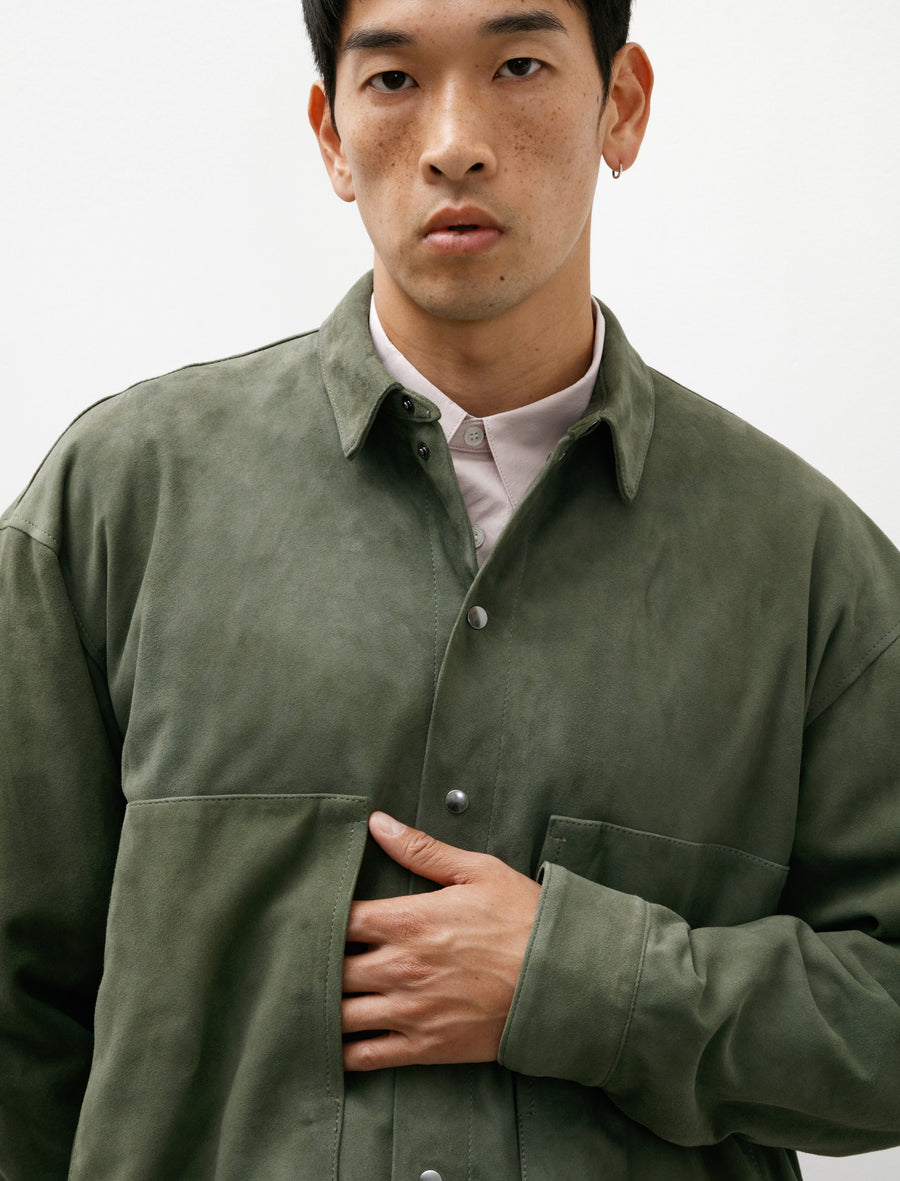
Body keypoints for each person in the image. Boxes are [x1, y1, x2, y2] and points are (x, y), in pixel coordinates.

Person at [1, 0, 898, 1177]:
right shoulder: (121, 502)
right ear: (331, 134)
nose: (455, 142)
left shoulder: (808, 563)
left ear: (621, 106)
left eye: (518, 65)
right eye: (393, 80)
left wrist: (582, 979)